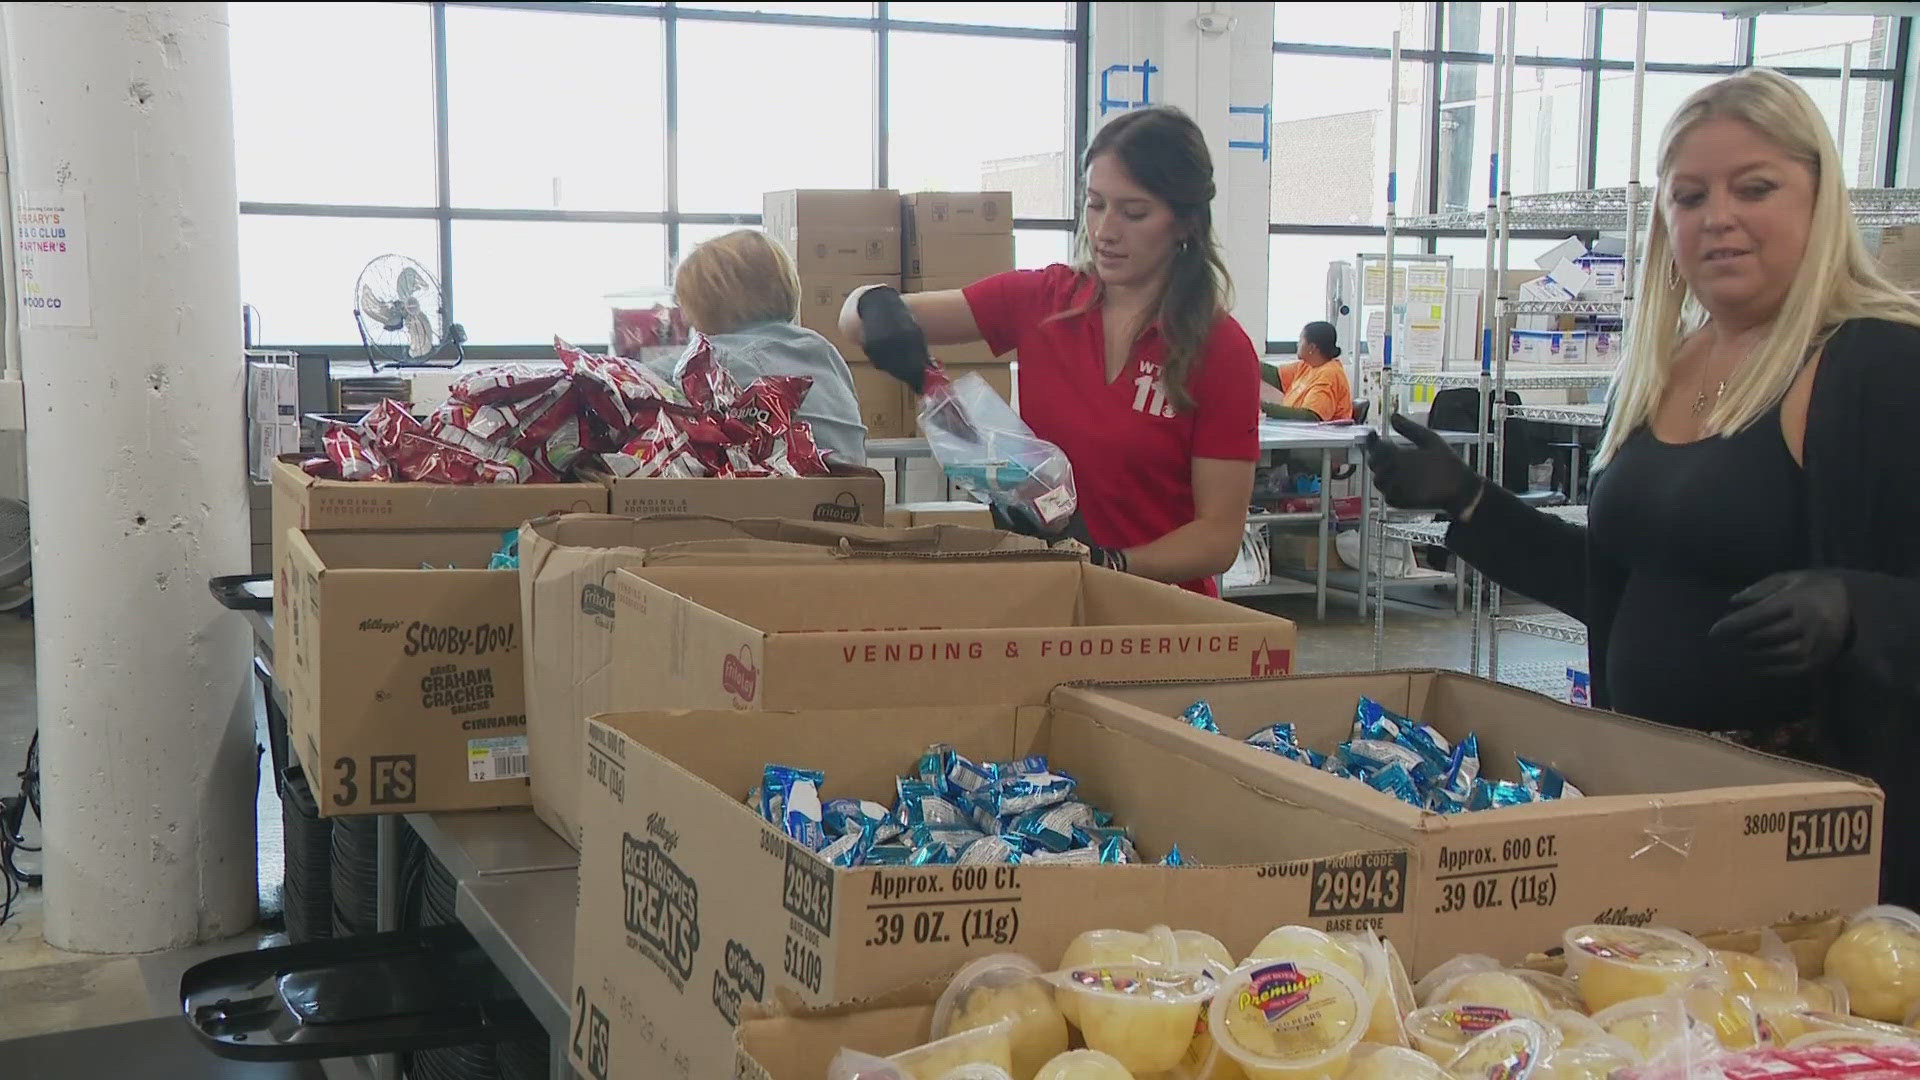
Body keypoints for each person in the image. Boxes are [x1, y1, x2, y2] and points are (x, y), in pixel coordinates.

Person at [1365, 69, 1920, 903]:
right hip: (1655, 806)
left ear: (1821, 199)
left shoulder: (1877, 366)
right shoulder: (1665, 366)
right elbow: (1625, 587)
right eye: (1690, 196)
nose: (1718, 217)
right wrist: (1466, 499)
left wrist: (1859, 607)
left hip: (1803, 833)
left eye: (1755, 187)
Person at [839, 105, 1261, 596]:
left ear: (1185, 222)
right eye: (1095, 203)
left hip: (1161, 615)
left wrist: (1112, 565)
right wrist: (874, 306)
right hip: (1049, 600)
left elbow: (1217, 538)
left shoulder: (1220, 350)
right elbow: (854, 319)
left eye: (1134, 212)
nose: (1105, 230)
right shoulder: (1045, 301)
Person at [672, 228, 867, 466]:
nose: (684, 319)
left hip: (782, 494)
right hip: (854, 490)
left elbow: (635, 380)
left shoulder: (719, 357)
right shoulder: (821, 349)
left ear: (704, 306)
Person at [1263, 321, 1354, 421]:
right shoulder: (1307, 366)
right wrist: (1247, 361)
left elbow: (1310, 416)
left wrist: (1263, 408)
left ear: (1312, 347)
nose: (1297, 344)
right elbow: (1276, 376)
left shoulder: (1329, 375)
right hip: (1295, 431)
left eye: (1301, 340)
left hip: (1320, 435)